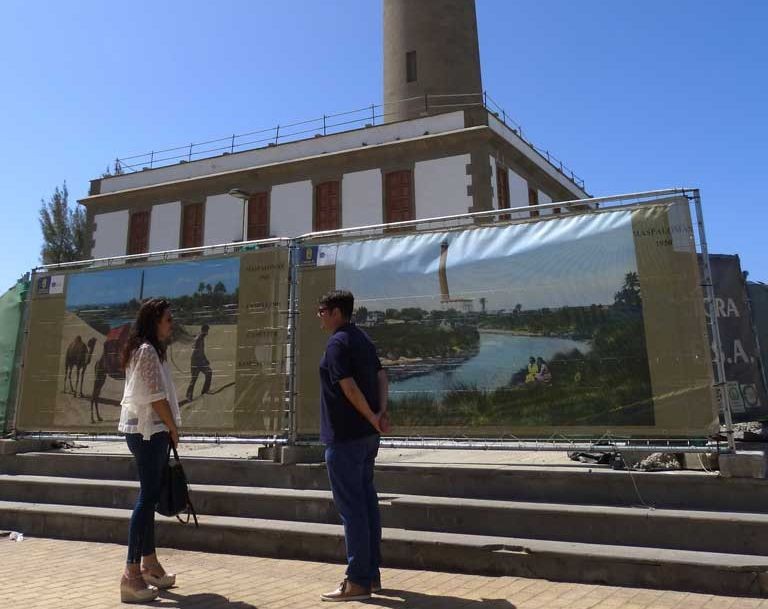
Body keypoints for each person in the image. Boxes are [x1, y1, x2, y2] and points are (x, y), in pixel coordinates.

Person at [317, 290, 390, 602]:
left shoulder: (337, 343)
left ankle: (357, 581)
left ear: (335, 312)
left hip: (345, 437)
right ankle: (371, 575)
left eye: (321, 310)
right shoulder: (362, 338)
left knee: (353, 511)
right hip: (367, 437)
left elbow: (347, 386)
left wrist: (372, 415)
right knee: (366, 504)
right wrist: (379, 414)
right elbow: (382, 376)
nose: (318, 314)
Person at [117, 298, 182, 604]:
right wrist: (173, 428)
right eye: (168, 319)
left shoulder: (149, 350)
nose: (172, 324)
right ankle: (131, 575)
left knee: (150, 496)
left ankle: (151, 564)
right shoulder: (145, 351)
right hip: (149, 433)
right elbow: (156, 398)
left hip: (151, 432)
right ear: (155, 320)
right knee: (146, 500)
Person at [186, 323, 212, 401]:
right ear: (204, 330)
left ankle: (204, 391)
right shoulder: (199, 338)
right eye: (207, 330)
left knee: (209, 373)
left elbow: (201, 351)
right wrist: (203, 360)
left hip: (199, 361)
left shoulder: (201, 337)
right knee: (194, 379)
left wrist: (205, 359)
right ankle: (189, 395)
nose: (207, 333)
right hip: (196, 362)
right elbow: (197, 351)